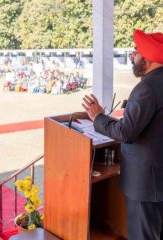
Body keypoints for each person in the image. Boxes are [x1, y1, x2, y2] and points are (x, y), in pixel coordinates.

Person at [82, 29, 163, 240]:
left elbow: (125, 132)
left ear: (148, 57)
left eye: (136, 51)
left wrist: (98, 116)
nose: (132, 56)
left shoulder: (147, 88)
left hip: (146, 184)